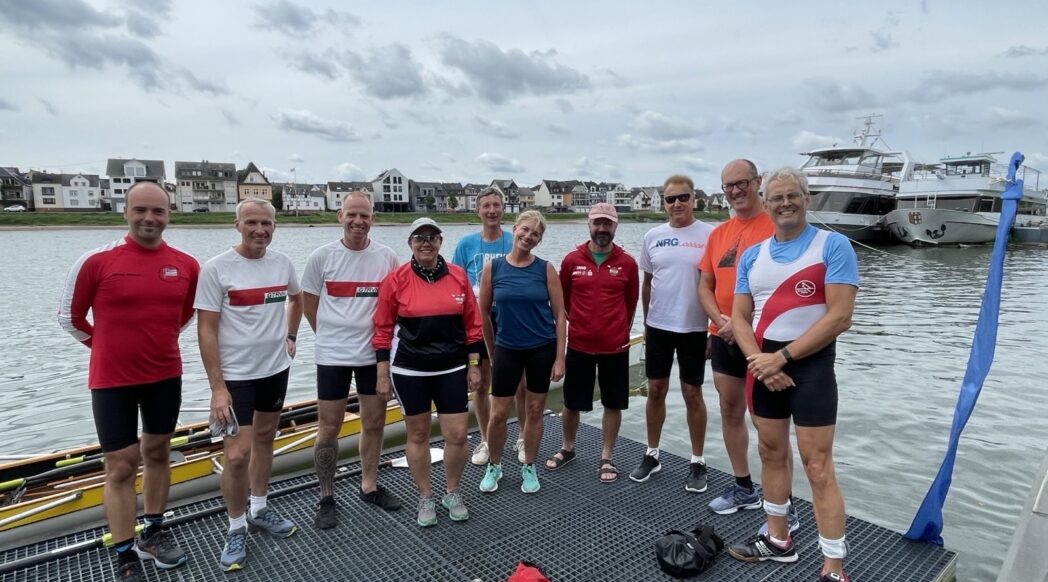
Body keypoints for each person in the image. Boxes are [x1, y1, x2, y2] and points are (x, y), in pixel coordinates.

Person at [58, 181, 198, 582]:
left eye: (158, 211)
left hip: (165, 374)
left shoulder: (186, 264)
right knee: (120, 466)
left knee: (157, 452)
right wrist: (103, 347)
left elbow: (186, 314)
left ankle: (153, 532)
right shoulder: (96, 261)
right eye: (140, 210)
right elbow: (69, 318)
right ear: (126, 211)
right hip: (112, 379)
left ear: (169, 214)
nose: (149, 219)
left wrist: (161, 341)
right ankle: (124, 551)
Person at [727, 167, 859, 582]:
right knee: (770, 452)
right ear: (765, 204)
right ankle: (778, 540)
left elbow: (839, 317)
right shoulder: (753, 255)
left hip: (809, 365)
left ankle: (833, 566)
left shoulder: (832, 246)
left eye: (793, 196)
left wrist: (781, 358)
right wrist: (760, 363)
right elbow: (739, 317)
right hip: (762, 366)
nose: (785, 203)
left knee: (817, 465)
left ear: (807, 199)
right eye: (776, 197)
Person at [196, 199, 304, 572]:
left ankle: (259, 507)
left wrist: (290, 334)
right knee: (237, 454)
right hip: (235, 377)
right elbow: (206, 329)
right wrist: (217, 387)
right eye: (252, 223)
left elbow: (296, 298)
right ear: (237, 224)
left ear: (275, 226)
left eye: (267, 223)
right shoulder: (217, 269)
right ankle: (236, 526)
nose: (260, 230)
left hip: (274, 368)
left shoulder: (282, 264)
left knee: (265, 439)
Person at [372, 217, 483, 527]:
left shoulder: (459, 277)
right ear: (410, 243)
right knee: (418, 434)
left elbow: (473, 326)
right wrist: (382, 373)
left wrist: (474, 366)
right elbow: (381, 329)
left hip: (452, 366)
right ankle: (425, 495)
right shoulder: (396, 279)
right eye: (419, 237)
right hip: (410, 369)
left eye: (432, 237)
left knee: (458, 435)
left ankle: (452, 492)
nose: (426, 242)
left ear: (440, 243)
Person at [302, 192, 402, 530]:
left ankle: (369, 485)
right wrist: (329, 336)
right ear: (339, 217)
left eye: (365, 216)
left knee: (373, 423)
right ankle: (326, 496)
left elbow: (395, 305)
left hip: (373, 355)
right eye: (352, 215)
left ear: (373, 218)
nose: (358, 222)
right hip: (332, 355)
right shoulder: (321, 257)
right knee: (328, 426)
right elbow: (309, 305)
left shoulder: (387, 257)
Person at [699, 160, 779, 517]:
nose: (734, 191)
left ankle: (780, 499)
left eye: (741, 183)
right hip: (723, 336)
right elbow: (705, 285)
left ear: (757, 182)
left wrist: (743, 323)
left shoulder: (777, 227)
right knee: (731, 410)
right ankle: (744, 486)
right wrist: (720, 321)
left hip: (764, 337)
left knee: (768, 420)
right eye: (727, 186)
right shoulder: (719, 234)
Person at [630, 174, 714, 493]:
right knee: (655, 390)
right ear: (663, 203)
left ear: (693, 199)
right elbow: (648, 283)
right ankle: (652, 454)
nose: (677, 204)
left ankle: (697, 460)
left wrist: (713, 330)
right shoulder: (653, 236)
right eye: (670, 199)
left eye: (683, 197)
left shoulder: (710, 234)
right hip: (659, 327)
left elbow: (719, 285)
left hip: (695, 327)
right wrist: (648, 324)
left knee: (693, 394)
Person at [546, 203, 639, 483]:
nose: (601, 229)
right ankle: (568, 447)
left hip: (616, 348)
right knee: (572, 403)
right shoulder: (572, 260)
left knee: (613, 403)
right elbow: (562, 303)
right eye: (597, 223)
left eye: (607, 224)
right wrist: (582, 324)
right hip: (579, 346)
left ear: (615, 226)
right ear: (588, 224)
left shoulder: (628, 263)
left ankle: (607, 455)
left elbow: (631, 304)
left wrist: (618, 329)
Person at [477, 210, 566, 495]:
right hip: (507, 349)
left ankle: (529, 465)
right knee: (498, 414)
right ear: (514, 229)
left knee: (535, 410)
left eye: (535, 234)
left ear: (539, 241)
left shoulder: (545, 269)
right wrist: (492, 352)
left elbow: (560, 316)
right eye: (525, 230)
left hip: (541, 348)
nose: (529, 236)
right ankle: (495, 464)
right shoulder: (493, 268)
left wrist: (560, 357)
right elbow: (484, 315)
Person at [450, 188, 528, 466]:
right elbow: (454, 283)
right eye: (487, 206)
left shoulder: (514, 240)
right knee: (480, 384)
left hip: (510, 320)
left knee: (520, 385)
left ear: (503, 208)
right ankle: (484, 439)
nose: (492, 210)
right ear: (478, 211)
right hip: (476, 323)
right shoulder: (466, 245)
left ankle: (522, 436)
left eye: (497, 205)